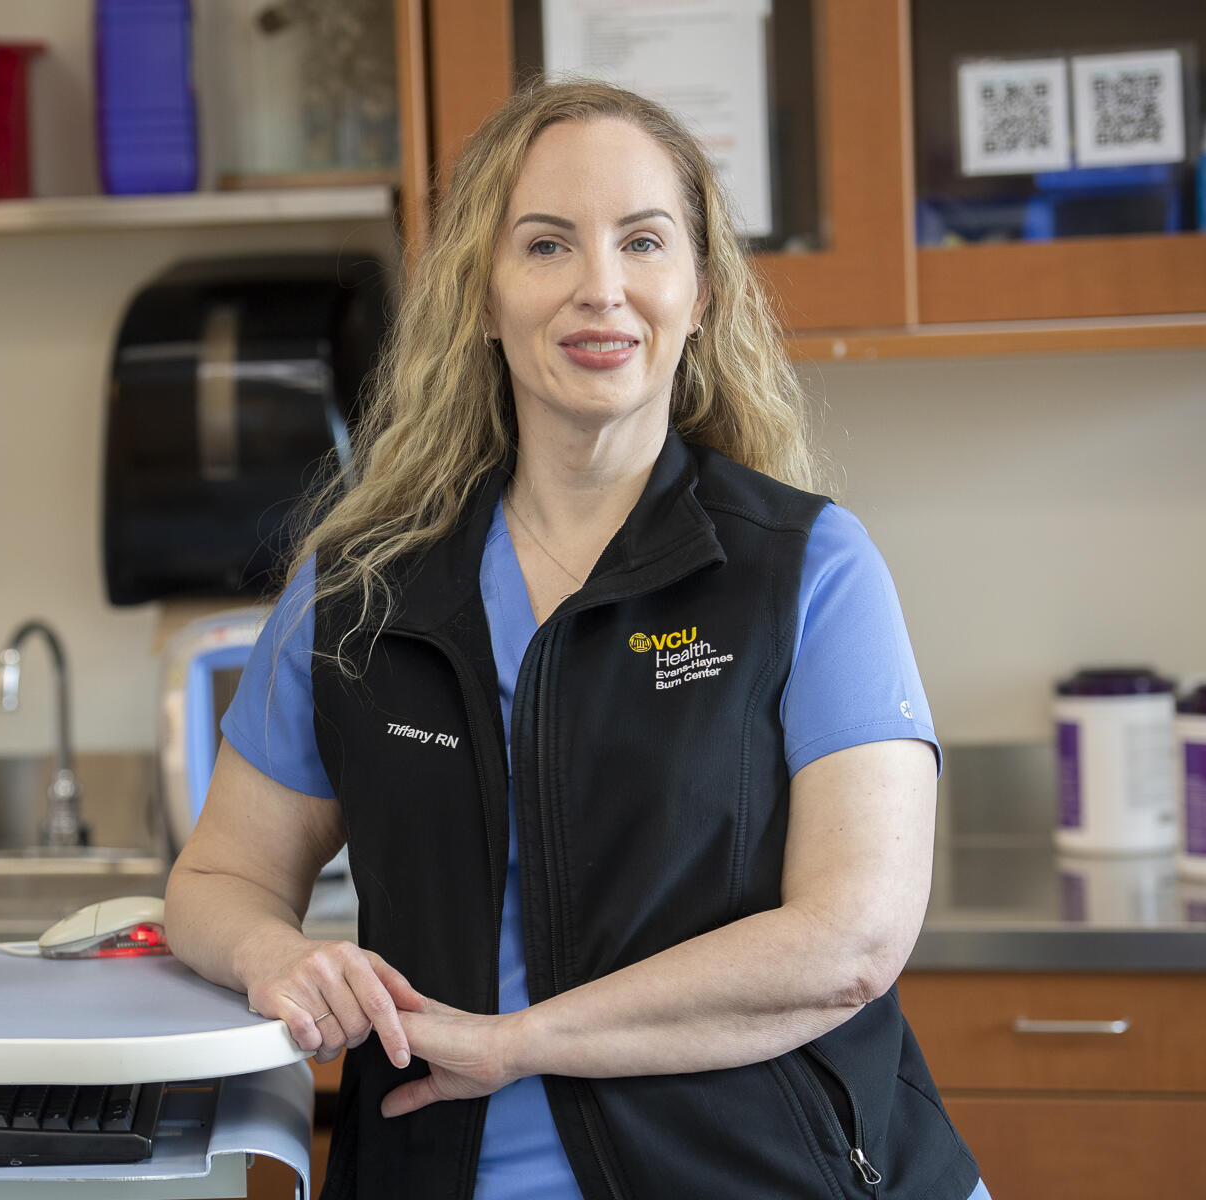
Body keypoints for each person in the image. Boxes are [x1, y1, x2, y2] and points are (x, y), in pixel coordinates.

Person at [166, 79, 987, 1200]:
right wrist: (276, 955)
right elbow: (218, 875)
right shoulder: (357, 593)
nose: (601, 290)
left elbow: (848, 946)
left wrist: (521, 1040)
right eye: (547, 245)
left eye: (643, 242)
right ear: (486, 296)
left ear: (698, 292)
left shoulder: (806, 570)